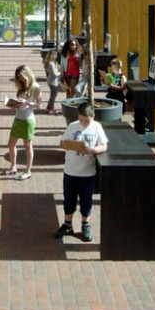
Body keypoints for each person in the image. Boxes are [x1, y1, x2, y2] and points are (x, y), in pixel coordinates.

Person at [55, 101, 108, 242]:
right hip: (71, 171)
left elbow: (104, 145)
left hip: (87, 173)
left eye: (87, 121)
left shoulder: (97, 127)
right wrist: (69, 145)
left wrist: (93, 150)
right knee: (69, 199)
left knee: (86, 200)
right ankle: (67, 224)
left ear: (93, 116)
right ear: (78, 117)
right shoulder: (72, 126)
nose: (84, 123)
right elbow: (63, 142)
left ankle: (85, 224)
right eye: (81, 120)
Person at [3, 65, 43, 180]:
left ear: (27, 74)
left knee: (27, 146)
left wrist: (27, 103)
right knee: (11, 144)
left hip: (28, 120)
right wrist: (14, 105)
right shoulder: (22, 86)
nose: (20, 79)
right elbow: (20, 103)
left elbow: (39, 105)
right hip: (18, 118)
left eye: (22, 77)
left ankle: (28, 170)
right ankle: (13, 166)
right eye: (18, 78)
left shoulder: (36, 87)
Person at [42, 48, 61, 114]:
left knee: (54, 95)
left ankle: (49, 107)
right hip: (53, 82)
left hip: (52, 81)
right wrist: (60, 73)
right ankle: (50, 108)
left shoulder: (53, 63)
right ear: (52, 55)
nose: (57, 56)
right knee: (53, 95)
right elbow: (54, 74)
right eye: (55, 54)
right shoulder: (51, 64)